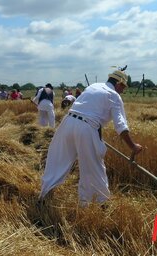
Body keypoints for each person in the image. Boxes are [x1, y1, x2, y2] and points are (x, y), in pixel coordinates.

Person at [39, 69, 142, 206]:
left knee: (57, 159)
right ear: (118, 83)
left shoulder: (93, 86)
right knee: (93, 168)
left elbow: (85, 107)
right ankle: (98, 204)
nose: (123, 90)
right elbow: (121, 125)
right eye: (123, 87)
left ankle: (44, 195)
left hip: (68, 122)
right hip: (86, 128)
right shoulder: (114, 96)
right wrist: (133, 146)